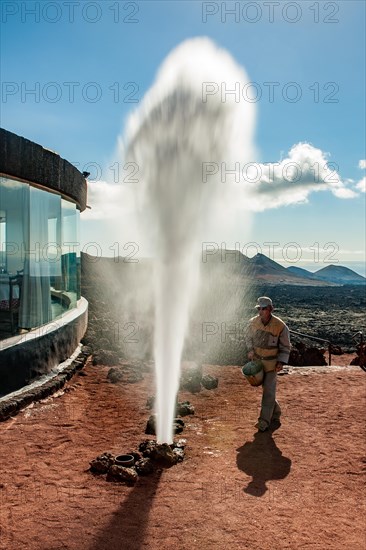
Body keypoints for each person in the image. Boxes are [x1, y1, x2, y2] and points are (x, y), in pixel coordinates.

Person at [245, 296, 291, 432]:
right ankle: (276, 413)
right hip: (258, 364)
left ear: (270, 309)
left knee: (268, 393)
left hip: (271, 365)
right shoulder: (253, 323)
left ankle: (264, 421)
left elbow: (285, 346)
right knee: (267, 391)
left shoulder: (280, 326)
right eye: (259, 308)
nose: (260, 311)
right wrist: (250, 350)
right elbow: (248, 337)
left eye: (263, 308)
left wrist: (281, 361)